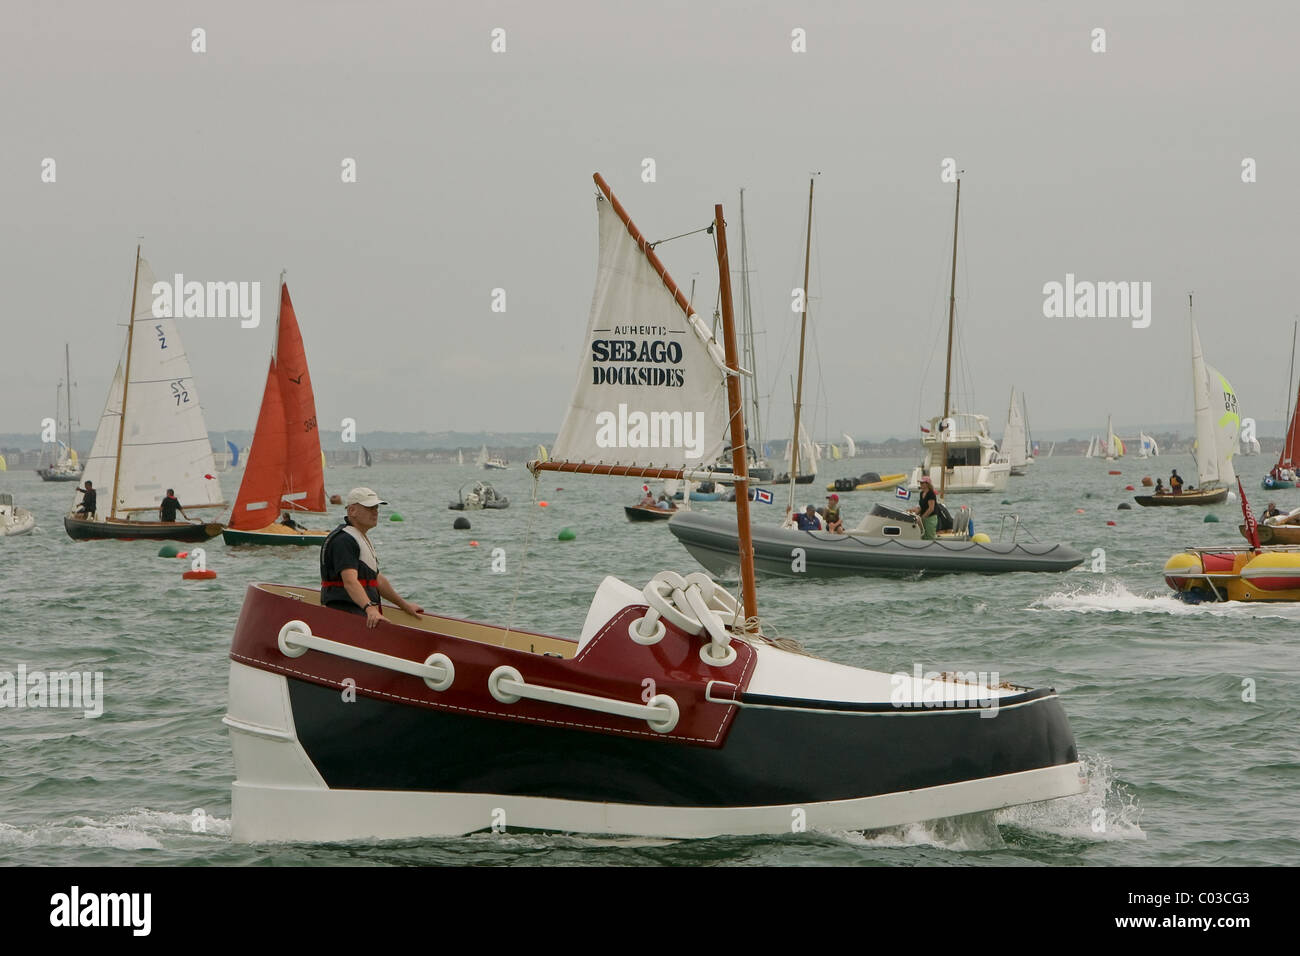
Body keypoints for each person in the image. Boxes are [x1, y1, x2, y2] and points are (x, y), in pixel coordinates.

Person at [320, 488, 423, 629]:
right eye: (369, 507)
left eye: (376, 507)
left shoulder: (359, 538)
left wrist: (405, 606)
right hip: (346, 615)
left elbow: (377, 579)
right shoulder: (344, 541)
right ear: (352, 511)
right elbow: (350, 582)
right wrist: (370, 609)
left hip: (360, 613)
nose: (375, 512)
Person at [910, 475, 939, 540]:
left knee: (929, 537)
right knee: (922, 536)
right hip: (924, 518)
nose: (921, 484)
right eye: (920, 483)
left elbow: (931, 508)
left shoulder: (931, 493)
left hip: (930, 518)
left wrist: (922, 517)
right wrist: (914, 514)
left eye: (922, 483)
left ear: (927, 484)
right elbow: (922, 507)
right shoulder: (921, 493)